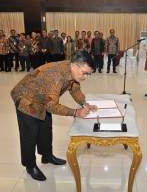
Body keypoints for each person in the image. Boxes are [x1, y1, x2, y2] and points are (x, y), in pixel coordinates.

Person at [10, 51, 97, 181]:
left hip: (42, 98)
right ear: (75, 66)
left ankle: (47, 156)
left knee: (45, 129)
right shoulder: (56, 77)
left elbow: (75, 90)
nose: (85, 77)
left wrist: (85, 104)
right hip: (26, 99)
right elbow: (52, 106)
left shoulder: (71, 71)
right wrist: (75, 112)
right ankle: (30, 165)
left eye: (88, 74)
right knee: (30, 135)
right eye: (84, 73)